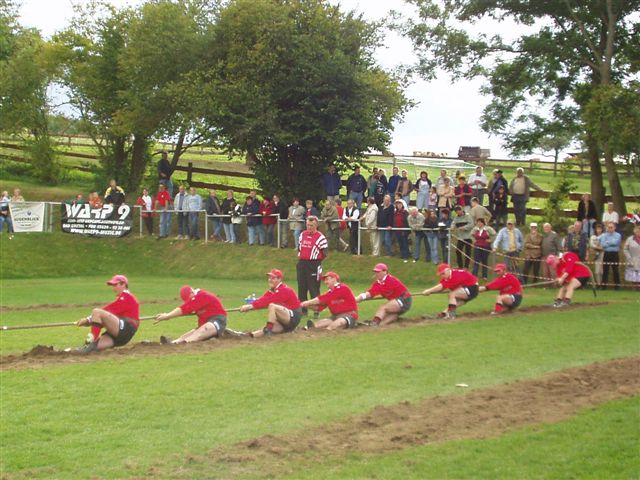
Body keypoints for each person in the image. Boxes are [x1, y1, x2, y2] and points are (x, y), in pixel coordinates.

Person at [75, 275, 140, 353]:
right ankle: (89, 346)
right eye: (112, 286)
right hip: (121, 336)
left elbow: (108, 310)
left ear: (123, 284)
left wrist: (88, 320)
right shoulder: (125, 297)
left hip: (125, 328)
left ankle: (90, 342)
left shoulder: (127, 297)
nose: (113, 288)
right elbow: (103, 320)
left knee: (96, 311)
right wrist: (90, 321)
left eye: (115, 285)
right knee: (92, 348)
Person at [240, 269, 303, 336]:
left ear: (279, 279)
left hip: (293, 317)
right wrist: (249, 307)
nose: (270, 280)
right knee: (262, 330)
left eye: (273, 278)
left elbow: (268, 301)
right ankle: (248, 336)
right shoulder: (272, 290)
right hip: (283, 321)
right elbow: (262, 300)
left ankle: (268, 330)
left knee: (272, 306)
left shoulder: (284, 290)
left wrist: (250, 306)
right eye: (269, 278)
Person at [154, 286, 227, 344]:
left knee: (200, 331)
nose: (189, 301)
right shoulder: (195, 299)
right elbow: (185, 309)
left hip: (217, 321)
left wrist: (167, 316)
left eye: (189, 299)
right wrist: (168, 316)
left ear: (192, 292)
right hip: (205, 323)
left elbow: (185, 309)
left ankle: (183, 343)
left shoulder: (202, 295)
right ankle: (174, 343)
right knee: (186, 335)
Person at [297, 216, 329, 312]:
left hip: (314, 264)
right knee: (302, 287)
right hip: (302, 263)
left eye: (311, 225)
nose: (309, 227)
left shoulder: (321, 237)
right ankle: (303, 310)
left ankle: (316, 310)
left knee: (314, 288)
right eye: (308, 225)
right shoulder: (302, 235)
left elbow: (325, 252)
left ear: (316, 225)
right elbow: (299, 248)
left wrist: (317, 261)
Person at [599, 221, 622, 290]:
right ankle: (603, 286)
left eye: (611, 227)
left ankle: (617, 286)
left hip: (614, 254)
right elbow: (603, 244)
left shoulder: (618, 235)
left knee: (615, 270)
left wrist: (607, 242)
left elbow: (615, 243)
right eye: (609, 227)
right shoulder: (604, 235)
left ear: (614, 228)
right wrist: (610, 242)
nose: (610, 229)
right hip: (606, 254)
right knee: (605, 270)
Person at [589, 223, 605, 287]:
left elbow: (605, 243)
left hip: (603, 253)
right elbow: (592, 244)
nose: (599, 230)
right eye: (597, 229)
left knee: (602, 269)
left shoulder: (604, 235)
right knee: (597, 270)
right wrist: (598, 247)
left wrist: (602, 247)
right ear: (595, 230)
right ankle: (598, 283)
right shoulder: (593, 237)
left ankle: (603, 283)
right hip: (596, 253)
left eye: (600, 229)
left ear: (602, 229)